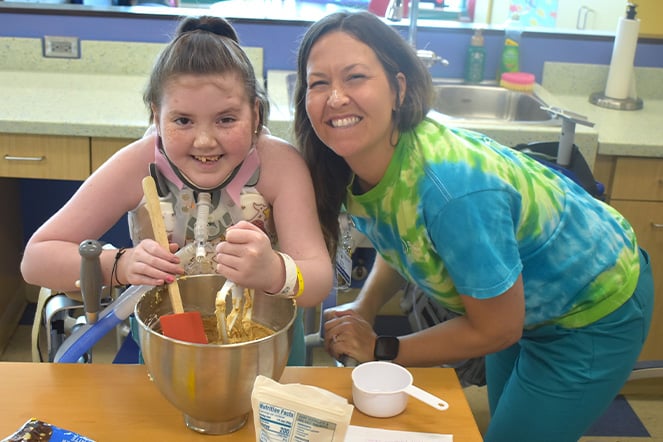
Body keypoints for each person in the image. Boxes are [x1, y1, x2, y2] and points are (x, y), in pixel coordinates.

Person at [293, 11, 653, 441]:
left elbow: (498, 327)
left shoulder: (452, 188)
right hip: (514, 305)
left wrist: (383, 349)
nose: (335, 98)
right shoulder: (352, 161)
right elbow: (407, 240)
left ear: (398, 87)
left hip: (592, 305)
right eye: (319, 82)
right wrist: (364, 307)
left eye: (355, 77)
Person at [21, 15, 332, 365]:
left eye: (227, 119)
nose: (204, 140)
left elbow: (319, 279)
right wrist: (120, 265)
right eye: (182, 120)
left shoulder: (279, 166)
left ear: (255, 114)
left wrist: (274, 271)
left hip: (266, 349)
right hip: (168, 349)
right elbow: (36, 260)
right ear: (157, 116)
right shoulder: (138, 165)